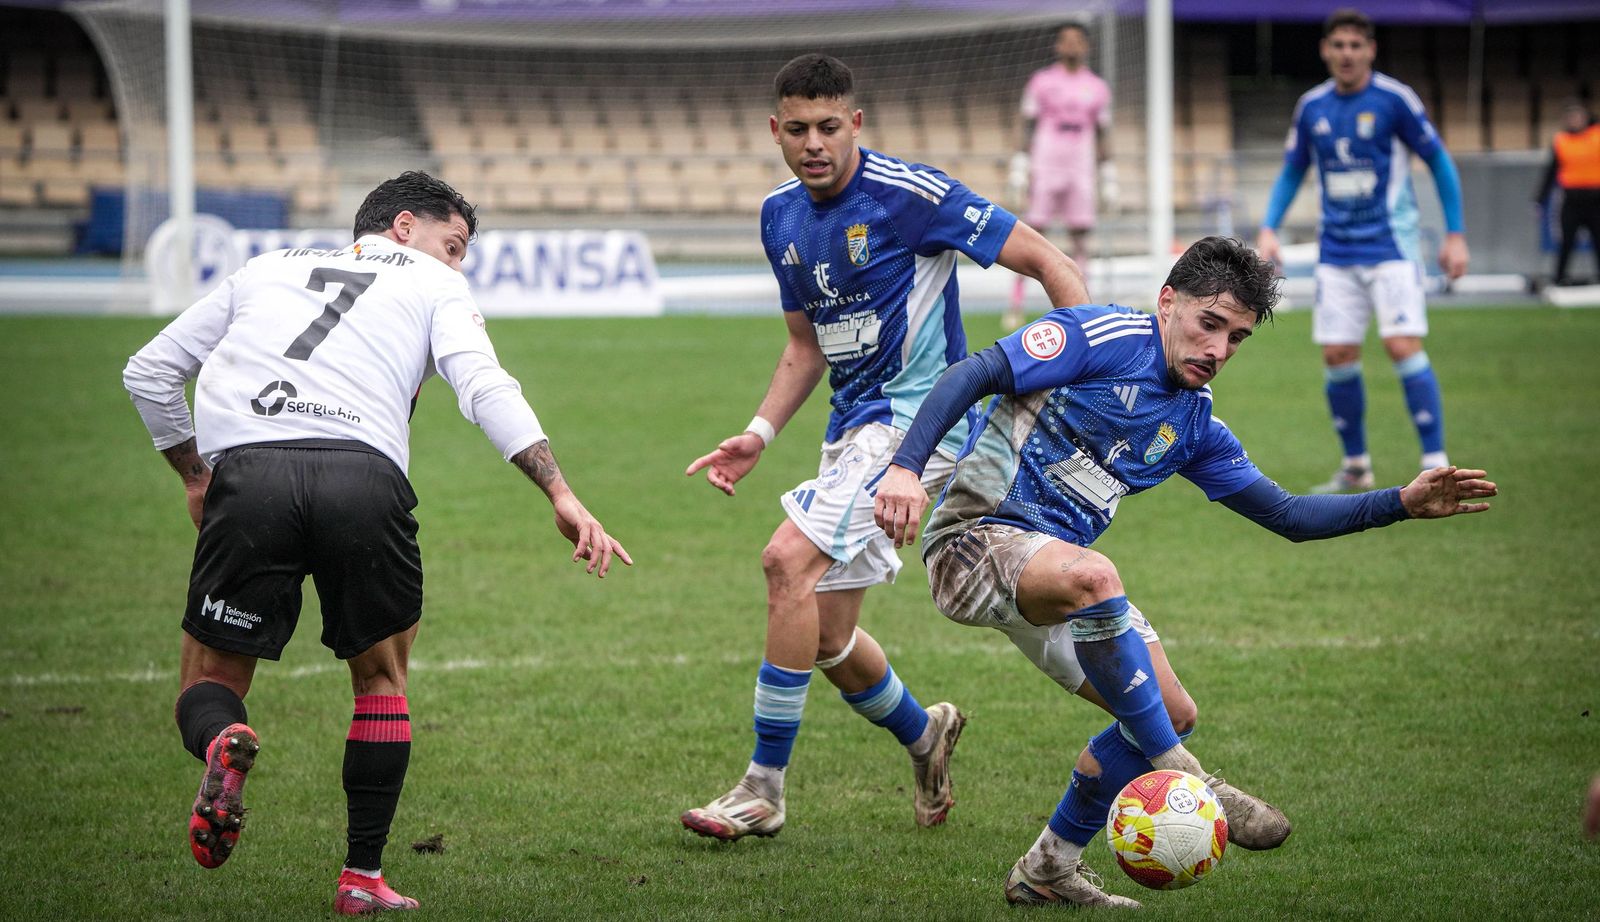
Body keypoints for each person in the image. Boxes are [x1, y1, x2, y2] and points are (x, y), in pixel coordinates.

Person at [873, 235, 1496, 908]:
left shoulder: (1194, 426)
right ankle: (1188, 775)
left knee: (1171, 710)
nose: (1219, 351)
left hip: (1055, 576)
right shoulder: (1100, 336)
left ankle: (1047, 868)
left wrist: (1398, 503)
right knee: (1100, 583)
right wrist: (905, 470)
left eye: (1237, 339)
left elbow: (1286, 514)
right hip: (974, 543)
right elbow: (974, 373)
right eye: (1210, 325)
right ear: (1168, 302)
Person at [123, 171, 630, 914]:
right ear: (403, 227)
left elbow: (149, 373)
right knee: (381, 681)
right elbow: (482, 386)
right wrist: (558, 489)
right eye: (452, 244)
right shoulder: (435, 285)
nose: (455, 263)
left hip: (251, 475)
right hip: (365, 478)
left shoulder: (265, 268)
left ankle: (224, 739)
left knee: (211, 683)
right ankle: (361, 876)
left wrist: (196, 476)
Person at [679, 53, 1090, 843]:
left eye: (829, 127)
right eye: (796, 130)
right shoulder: (779, 217)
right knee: (828, 636)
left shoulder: (912, 196)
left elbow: (1051, 262)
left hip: (919, 423)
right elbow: (805, 345)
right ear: (775, 131)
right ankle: (924, 732)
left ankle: (762, 788)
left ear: (855, 124)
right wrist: (759, 434)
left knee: (784, 562)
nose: (813, 144)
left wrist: (1074, 378)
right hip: (852, 432)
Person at [1255, 7, 1469, 494]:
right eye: (1338, 45)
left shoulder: (1395, 99)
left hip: (1391, 246)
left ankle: (1437, 462)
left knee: (1401, 345)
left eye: (1356, 45)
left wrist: (1455, 233)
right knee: (1338, 355)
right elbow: (1293, 169)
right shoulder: (1312, 107)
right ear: (1325, 50)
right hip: (1336, 253)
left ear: (1370, 50)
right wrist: (1269, 227)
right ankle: (1356, 466)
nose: (1346, 54)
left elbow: (1438, 160)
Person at [1003, 21, 1113, 332]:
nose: (1072, 46)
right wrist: (1020, 164)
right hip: (1046, 163)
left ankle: (1084, 305)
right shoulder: (1041, 82)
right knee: (1032, 233)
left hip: (1080, 167)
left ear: (1087, 46)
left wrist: (1108, 172)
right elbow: (1027, 124)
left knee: (1080, 235)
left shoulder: (1097, 87)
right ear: (1057, 45)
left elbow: (1103, 130)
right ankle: (1016, 303)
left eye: (1078, 40)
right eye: (1066, 40)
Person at [1534, 99, 1600, 286]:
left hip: (1596, 198)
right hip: (1572, 198)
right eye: (1571, 118)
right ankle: (1560, 277)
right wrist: (1539, 199)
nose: (1574, 121)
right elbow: (1551, 172)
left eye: (1578, 117)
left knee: (1598, 239)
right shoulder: (1562, 141)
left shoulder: (1597, 136)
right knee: (1567, 241)